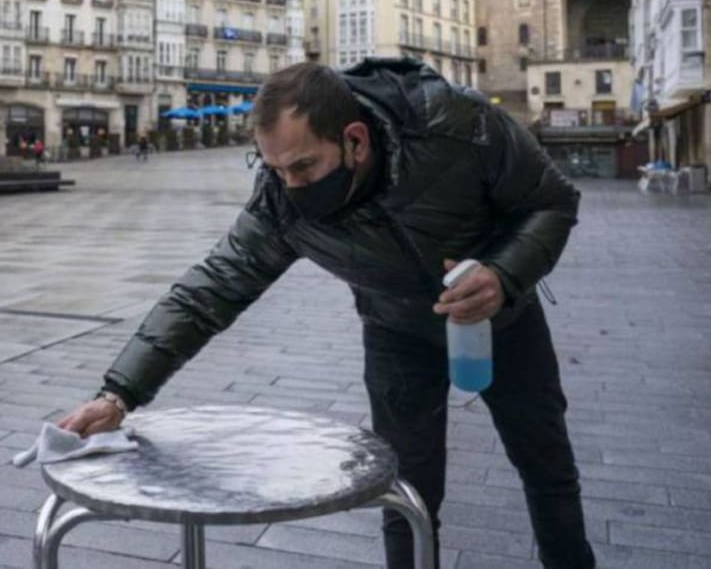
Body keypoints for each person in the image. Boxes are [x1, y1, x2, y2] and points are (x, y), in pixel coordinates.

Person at [58, 58, 595, 569]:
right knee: (406, 490)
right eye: (274, 168)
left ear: (355, 140)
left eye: (303, 166)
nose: (290, 184)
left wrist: (503, 275)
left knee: (546, 466)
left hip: (501, 319)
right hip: (396, 331)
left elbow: (552, 200)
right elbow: (210, 290)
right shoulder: (282, 201)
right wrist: (119, 394)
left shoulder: (454, 125)